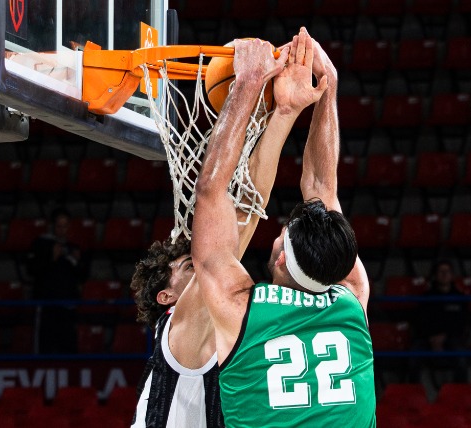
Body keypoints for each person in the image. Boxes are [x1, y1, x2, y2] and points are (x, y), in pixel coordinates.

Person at [130, 28, 329, 427]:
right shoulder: (179, 330)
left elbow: (245, 211)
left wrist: (285, 113)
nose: (202, 263)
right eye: (188, 267)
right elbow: (243, 218)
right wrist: (254, 91)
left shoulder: (220, 333)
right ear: (167, 298)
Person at [192, 28, 375, 427]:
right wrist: (328, 89)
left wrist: (247, 86)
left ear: (278, 256)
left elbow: (211, 192)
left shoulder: (241, 308)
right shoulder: (352, 302)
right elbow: (323, 192)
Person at [27, 206, 89, 353]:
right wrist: (51, 258)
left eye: (65, 226)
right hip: (46, 307)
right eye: (59, 226)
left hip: (67, 308)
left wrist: (76, 261)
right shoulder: (40, 244)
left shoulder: (73, 248)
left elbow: (83, 275)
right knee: (44, 350)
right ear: (53, 226)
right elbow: (31, 270)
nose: (62, 229)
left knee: (68, 350)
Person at [413, 259, 469, 384]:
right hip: (428, 338)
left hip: (451, 338)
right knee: (413, 356)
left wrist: (445, 337)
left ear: (452, 275)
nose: (444, 274)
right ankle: (413, 393)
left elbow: (462, 323)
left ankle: (461, 393)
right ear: (435, 275)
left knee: (461, 357)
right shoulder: (426, 298)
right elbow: (420, 321)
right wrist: (432, 337)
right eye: (441, 271)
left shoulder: (459, 298)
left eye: (447, 271)